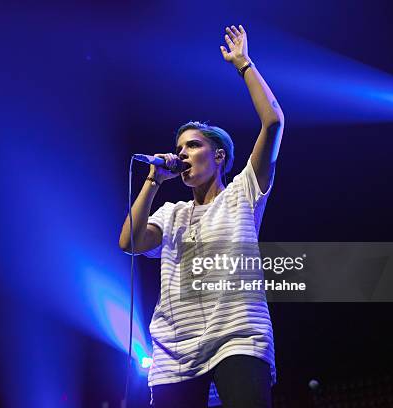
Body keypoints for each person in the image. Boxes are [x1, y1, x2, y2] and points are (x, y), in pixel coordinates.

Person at [119, 24, 284, 408]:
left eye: (194, 145)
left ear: (219, 156)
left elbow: (273, 121)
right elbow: (129, 243)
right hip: (175, 351)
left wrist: (243, 64)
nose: (184, 153)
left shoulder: (244, 192)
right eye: (180, 147)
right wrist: (153, 180)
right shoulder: (171, 212)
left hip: (238, 337)